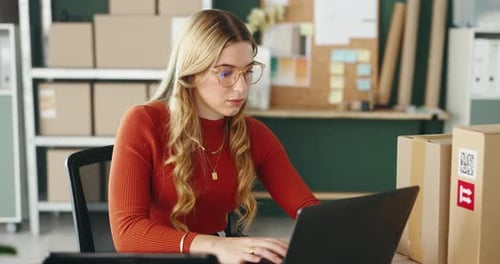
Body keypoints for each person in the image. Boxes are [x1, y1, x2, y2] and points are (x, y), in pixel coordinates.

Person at [108, 9, 319, 264]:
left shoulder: (252, 133)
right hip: (159, 259)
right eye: (225, 73)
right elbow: (127, 233)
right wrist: (216, 245)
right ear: (192, 72)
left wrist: (356, 234)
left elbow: (307, 210)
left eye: (247, 71)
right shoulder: (143, 122)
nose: (241, 87)